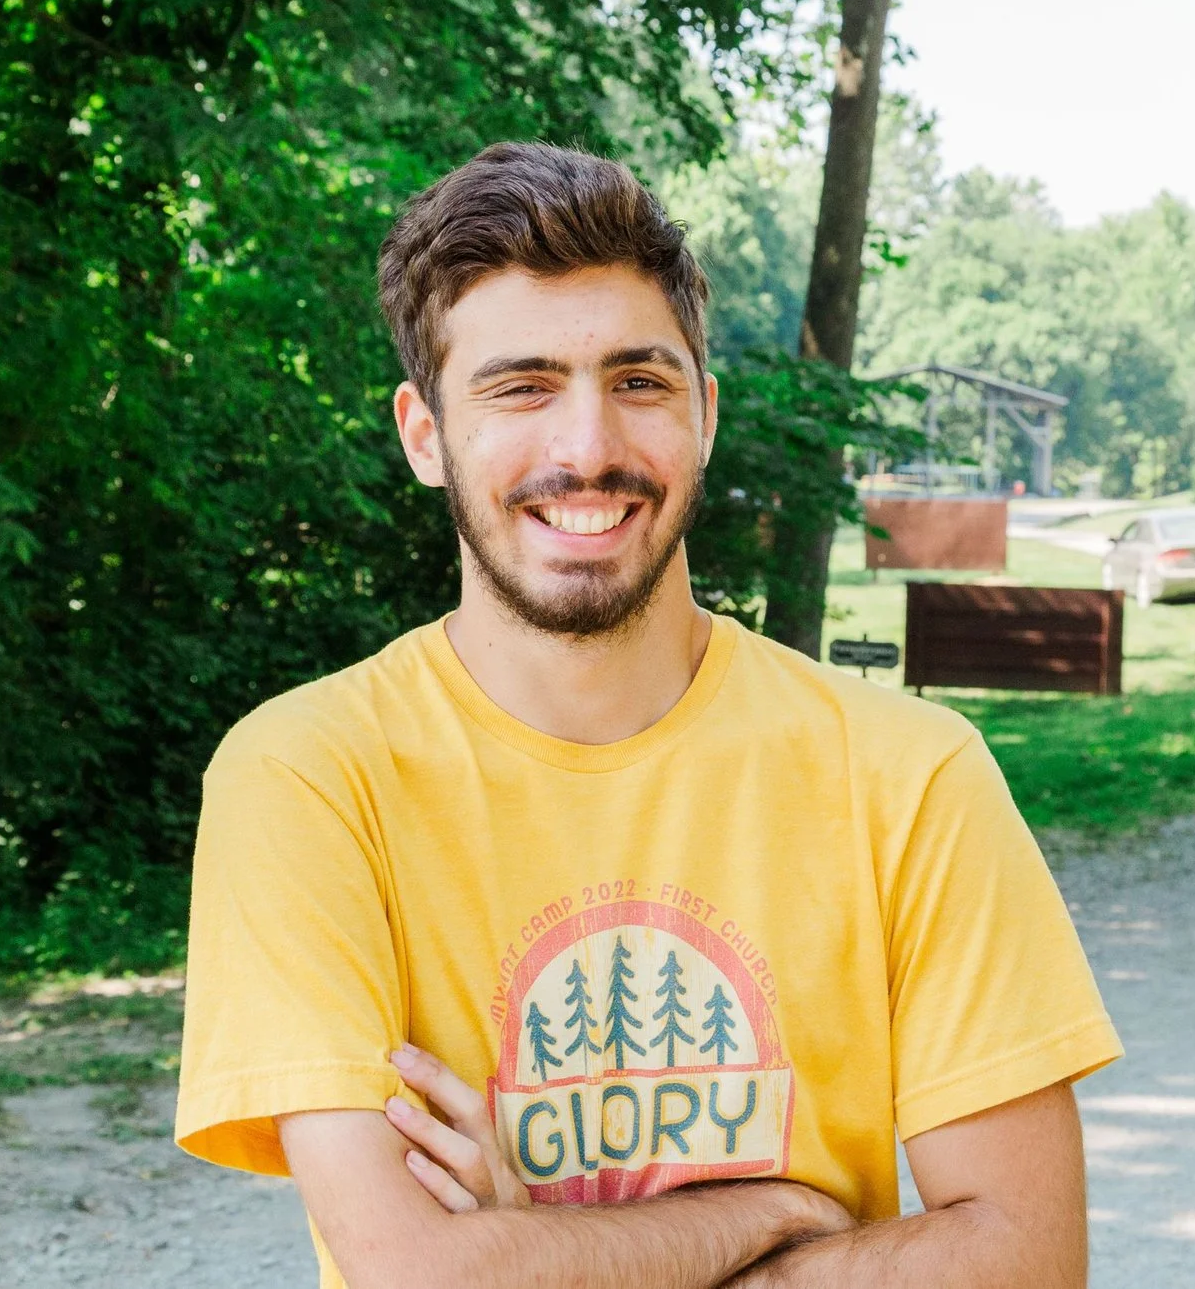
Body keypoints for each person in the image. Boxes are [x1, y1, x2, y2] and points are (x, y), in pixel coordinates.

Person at [173, 144, 1121, 1287]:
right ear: (424, 435)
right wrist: (771, 1212)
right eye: (520, 386)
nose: (587, 449)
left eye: (639, 381)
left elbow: (1027, 1261)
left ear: (704, 412)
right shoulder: (307, 777)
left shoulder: (906, 775)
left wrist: (541, 1250)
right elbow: (419, 1273)